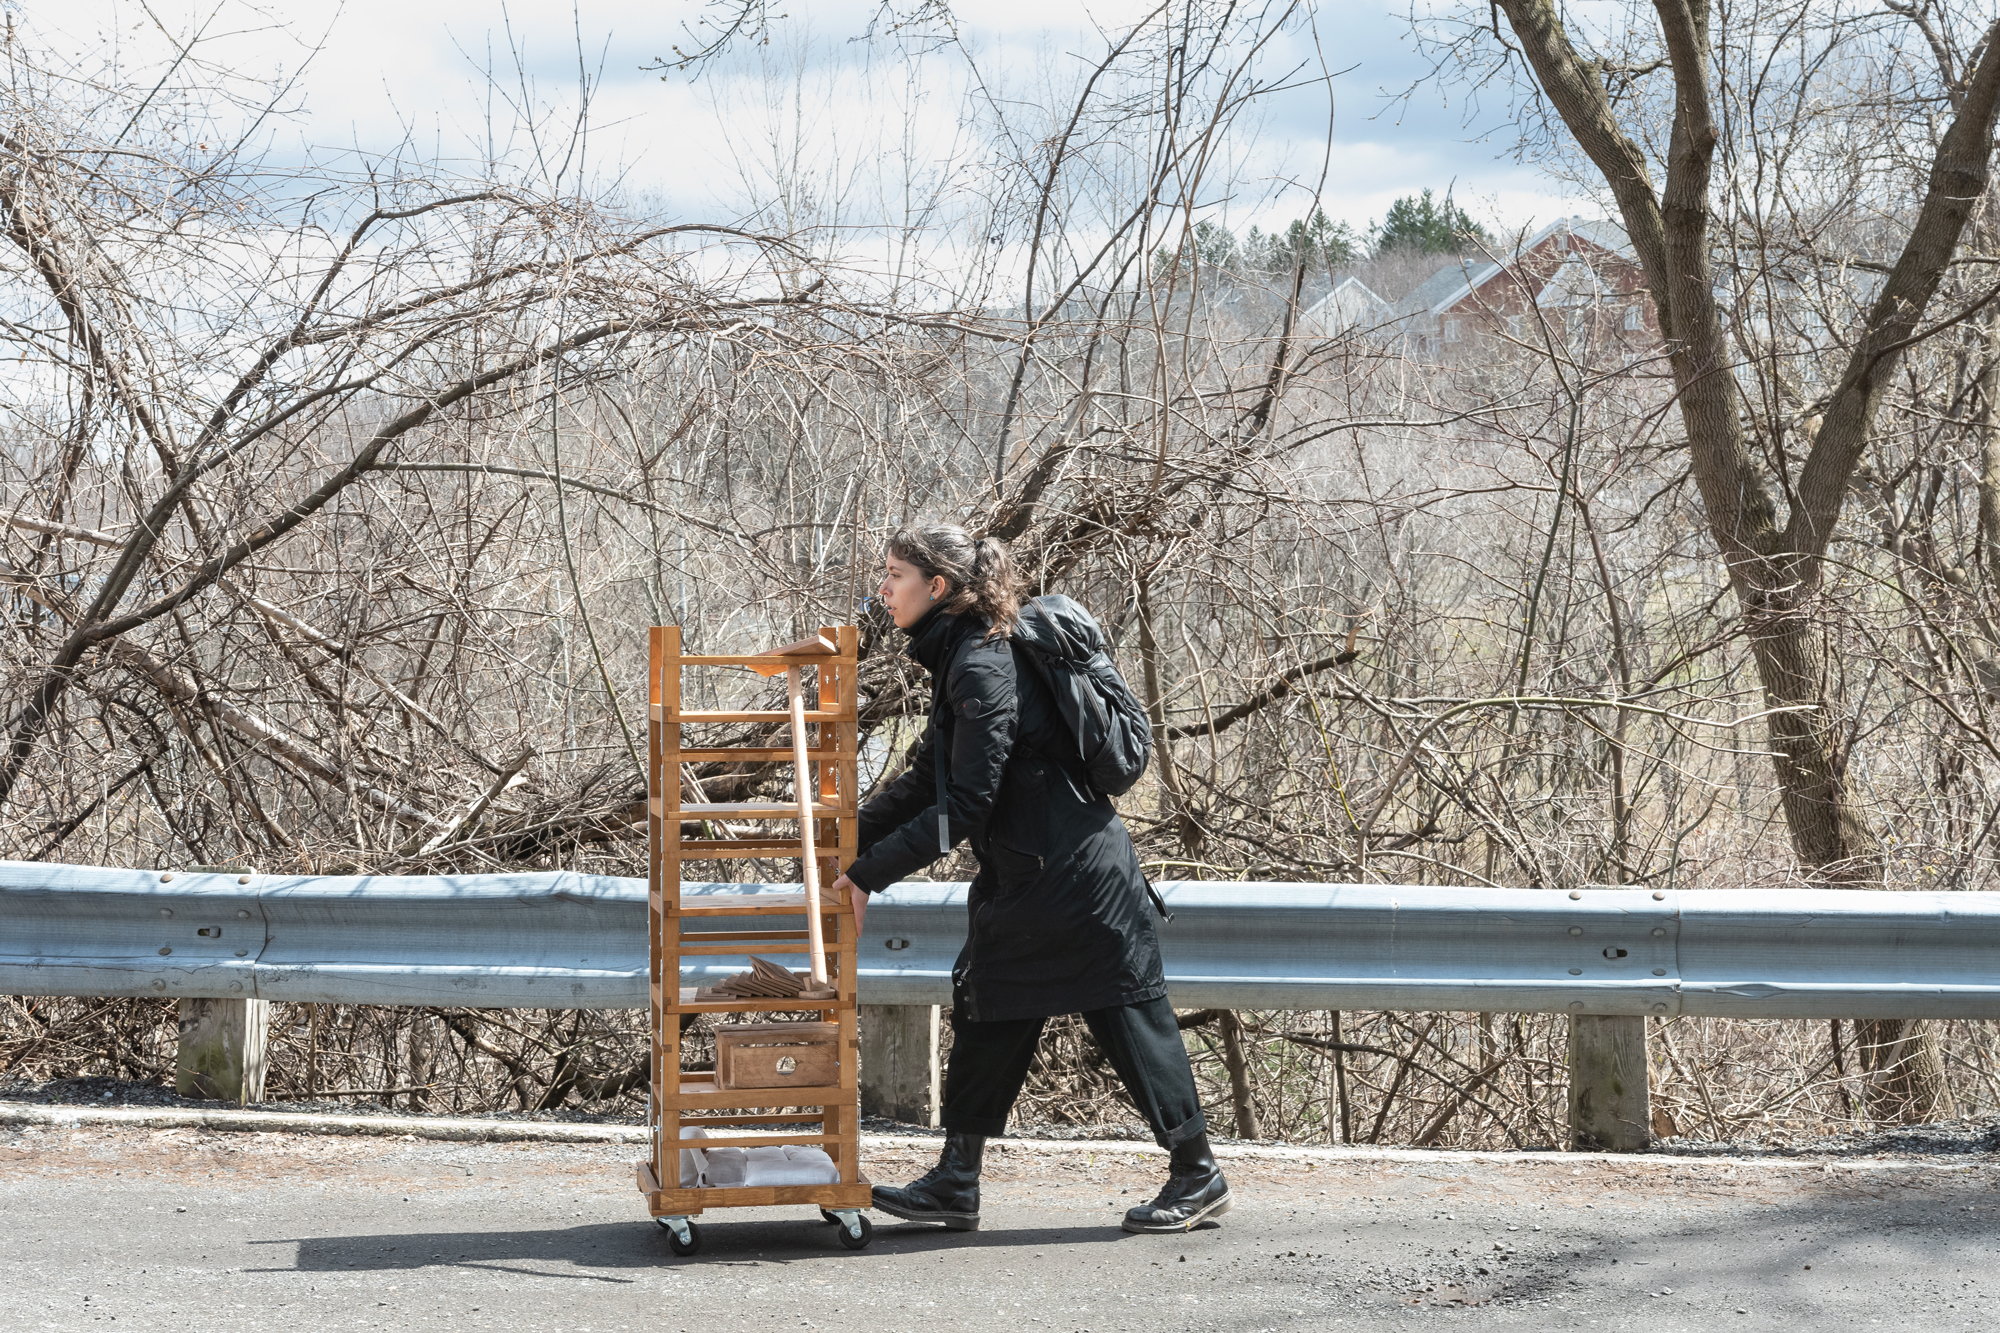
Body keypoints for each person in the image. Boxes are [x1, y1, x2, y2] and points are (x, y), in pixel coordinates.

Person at [829, 521, 1231, 1235]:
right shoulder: (964, 655)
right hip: (1029, 873)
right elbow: (929, 777)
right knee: (990, 1004)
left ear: (937, 587)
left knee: (1127, 1017)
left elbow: (966, 804)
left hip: (1078, 879)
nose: (883, 589)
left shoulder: (982, 662)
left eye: (895, 575)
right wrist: (844, 840)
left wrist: (867, 876)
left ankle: (1197, 1172)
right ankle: (956, 1180)